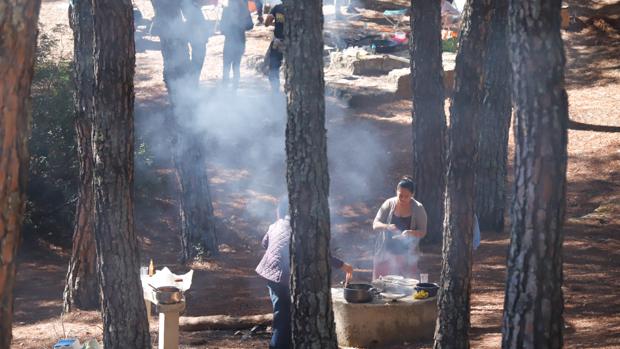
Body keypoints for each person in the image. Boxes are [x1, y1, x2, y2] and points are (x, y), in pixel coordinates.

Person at [256, 197, 354, 349]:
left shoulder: (275, 225)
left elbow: (265, 244)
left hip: (271, 274)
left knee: (284, 312)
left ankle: (287, 343)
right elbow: (320, 253)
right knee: (283, 316)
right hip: (283, 276)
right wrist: (342, 265)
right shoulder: (302, 229)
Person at [372, 176, 427, 280]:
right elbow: (375, 224)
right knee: (381, 286)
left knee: (406, 287)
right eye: (400, 195)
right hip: (385, 253)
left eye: (407, 196)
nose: (403, 198)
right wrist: (387, 226)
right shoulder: (389, 203)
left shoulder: (418, 208)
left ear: (412, 194)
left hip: (407, 256)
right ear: (396, 191)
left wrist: (410, 233)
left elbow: (423, 232)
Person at [220, 0, 253, 88]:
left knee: (228, 66)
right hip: (237, 41)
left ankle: (226, 89)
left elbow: (221, 29)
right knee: (235, 66)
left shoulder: (227, 10)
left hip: (232, 41)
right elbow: (250, 26)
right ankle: (233, 89)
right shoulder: (244, 11)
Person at [264, 3, 285, 91]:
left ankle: (275, 91)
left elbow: (266, 23)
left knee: (273, 67)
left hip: (278, 42)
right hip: (294, 43)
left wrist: (275, 22)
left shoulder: (277, 7)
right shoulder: (298, 8)